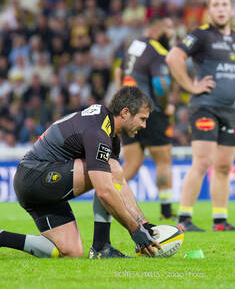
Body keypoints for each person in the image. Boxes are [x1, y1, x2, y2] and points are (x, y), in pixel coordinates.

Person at [0, 86, 161, 258]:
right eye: (142, 119)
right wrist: (134, 229)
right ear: (125, 112)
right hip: (34, 176)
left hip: (41, 182)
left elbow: (119, 183)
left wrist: (143, 223)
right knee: (107, 173)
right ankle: (101, 247)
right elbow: (105, 190)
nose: (144, 125)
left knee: (71, 252)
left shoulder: (108, 130)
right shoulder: (98, 132)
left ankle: (3, 237)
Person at [166, 0, 235, 232]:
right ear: (208, 11)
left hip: (230, 109)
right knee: (203, 161)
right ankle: (184, 218)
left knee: (224, 166)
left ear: (231, 9)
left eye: (224, 4)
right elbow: (173, 57)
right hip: (204, 107)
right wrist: (190, 85)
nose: (220, 9)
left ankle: (220, 220)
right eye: (215, 5)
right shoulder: (201, 36)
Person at [114, 16, 176, 220]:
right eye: (169, 30)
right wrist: (166, 106)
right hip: (150, 112)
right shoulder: (158, 51)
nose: (172, 35)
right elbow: (160, 84)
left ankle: (109, 198)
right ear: (158, 30)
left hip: (128, 112)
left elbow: (118, 71)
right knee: (163, 160)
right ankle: (166, 211)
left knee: (131, 164)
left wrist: (122, 99)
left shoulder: (135, 46)